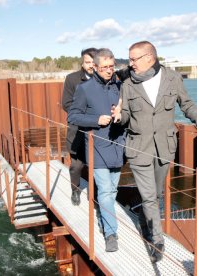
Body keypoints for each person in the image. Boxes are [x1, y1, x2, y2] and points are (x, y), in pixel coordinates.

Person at [112, 41, 197, 262]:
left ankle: (143, 217)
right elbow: (126, 113)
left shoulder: (172, 78)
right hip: (138, 148)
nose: (130, 64)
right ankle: (157, 241)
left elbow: (186, 104)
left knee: (155, 194)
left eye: (133, 59)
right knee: (149, 197)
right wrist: (119, 116)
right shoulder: (128, 83)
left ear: (149, 58)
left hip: (164, 147)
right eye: (129, 59)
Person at [68, 48, 125, 252]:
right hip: (97, 147)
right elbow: (73, 116)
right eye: (105, 67)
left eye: (112, 67)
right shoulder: (84, 88)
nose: (109, 71)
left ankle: (103, 219)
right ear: (95, 67)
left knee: (112, 190)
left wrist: (121, 113)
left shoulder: (120, 85)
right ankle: (111, 233)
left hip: (118, 145)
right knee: (106, 191)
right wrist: (95, 120)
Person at [62, 47, 97, 206]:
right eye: (87, 62)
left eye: (93, 62)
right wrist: (87, 115)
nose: (90, 65)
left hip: (98, 132)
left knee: (98, 167)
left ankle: (97, 196)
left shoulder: (104, 78)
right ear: (82, 63)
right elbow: (66, 104)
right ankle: (75, 190)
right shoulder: (72, 79)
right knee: (76, 166)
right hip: (77, 131)